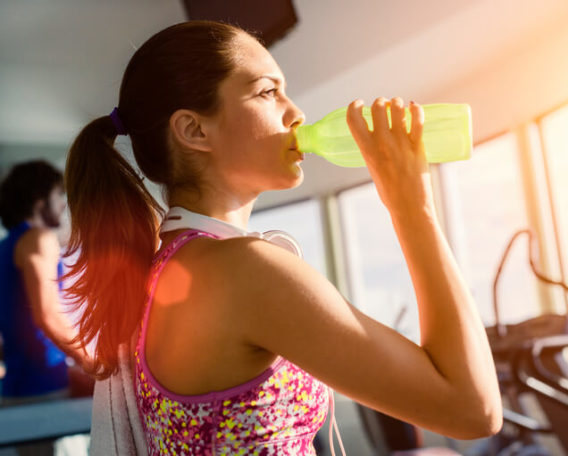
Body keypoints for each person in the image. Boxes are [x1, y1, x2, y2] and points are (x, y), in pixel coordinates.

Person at [64, 21, 503, 455]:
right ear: (194, 130)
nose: (296, 113)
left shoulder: (171, 268)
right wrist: (413, 207)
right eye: (267, 92)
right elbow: (472, 409)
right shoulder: (245, 270)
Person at [0, 160, 90, 454]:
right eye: (58, 195)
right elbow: (48, 315)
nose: (63, 205)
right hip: (43, 392)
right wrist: (95, 365)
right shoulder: (39, 239)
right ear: (40, 201)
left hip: (17, 391)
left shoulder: (6, 246)